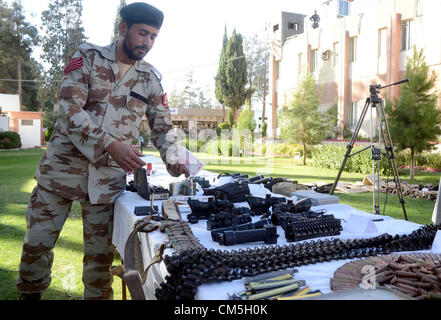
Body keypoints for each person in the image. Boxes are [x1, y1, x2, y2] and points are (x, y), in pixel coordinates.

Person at [16, 2, 189, 300]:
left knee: (100, 260)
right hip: (61, 173)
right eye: (142, 33)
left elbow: (162, 127)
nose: (147, 42)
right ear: (123, 29)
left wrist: (174, 158)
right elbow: (70, 111)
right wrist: (110, 144)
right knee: (37, 245)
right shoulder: (87, 57)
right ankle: (29, 295)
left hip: (106, 182)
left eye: (153, 37)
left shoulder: (150, 78)